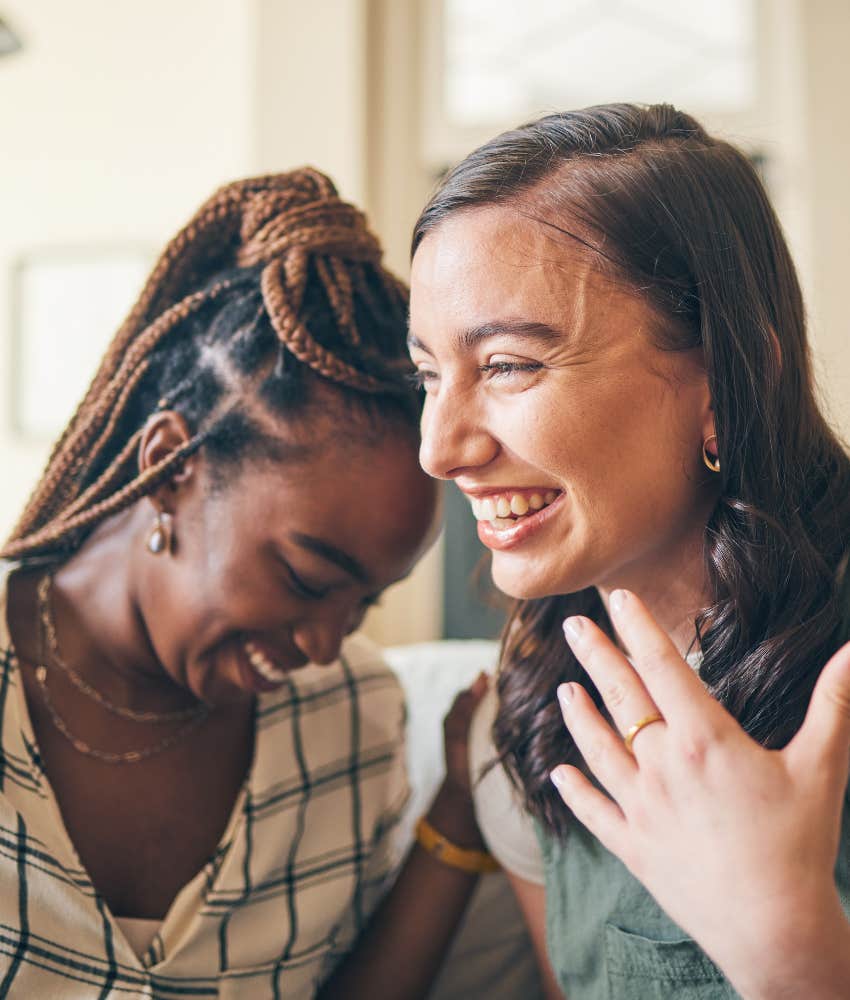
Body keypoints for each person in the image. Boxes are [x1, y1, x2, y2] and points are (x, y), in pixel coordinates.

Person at [0, 169, 496, 999]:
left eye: (364, 602)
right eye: (306, 579)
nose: (326, 643)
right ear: (168, 466)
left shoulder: (354, 718)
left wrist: (456, 808)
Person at [407, 103, 850, 998]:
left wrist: (789, 944)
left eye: (506, 365)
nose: (440, 447)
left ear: (728, 379)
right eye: (427, 373)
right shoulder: (538, 713)